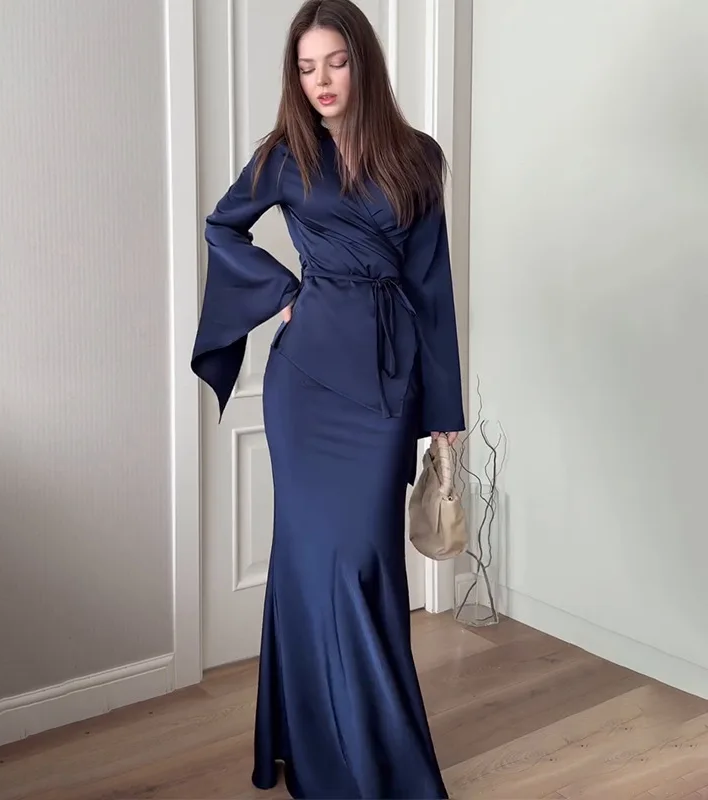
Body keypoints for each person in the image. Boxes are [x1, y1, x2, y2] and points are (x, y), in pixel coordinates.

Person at [191, 0, 465, 796]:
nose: (322, 81)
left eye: (335, 62)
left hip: (385, 387)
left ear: (362, 62)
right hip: (305, 385)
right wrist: (282, 293)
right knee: (311, 562)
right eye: (307, 67)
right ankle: (320, 749)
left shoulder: (418, 157)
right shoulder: (284, 156)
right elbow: (223, 227)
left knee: (362, 565)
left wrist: (445, 416)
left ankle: (368, 752)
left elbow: (433, 291)